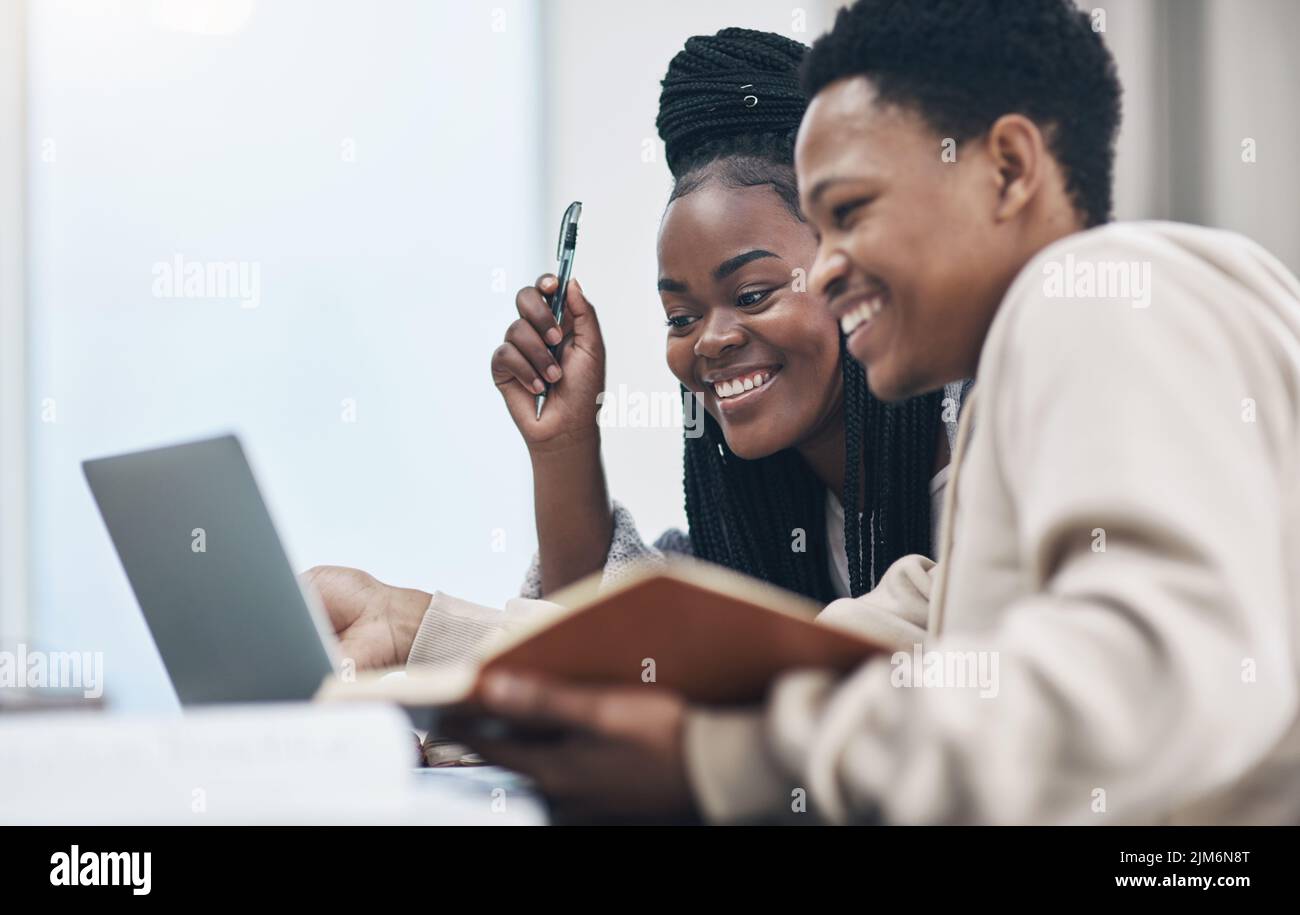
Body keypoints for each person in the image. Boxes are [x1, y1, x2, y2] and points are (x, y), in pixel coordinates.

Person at [445, 0, 1300, 825]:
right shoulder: (993, 465)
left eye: (849, 213)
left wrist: (722, 761)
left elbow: (1152, 681)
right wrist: (435, 636)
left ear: (1008, 168)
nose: (826, 267)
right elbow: (832, 658)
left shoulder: (1094, 293)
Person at [307, 28, 966, 675]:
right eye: (681, 317)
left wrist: (418, 628)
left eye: (753, 293)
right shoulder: (751, 532)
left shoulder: (992, 442)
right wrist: (564, 448)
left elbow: (753, 675)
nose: (711, 339)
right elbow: (616, 660)